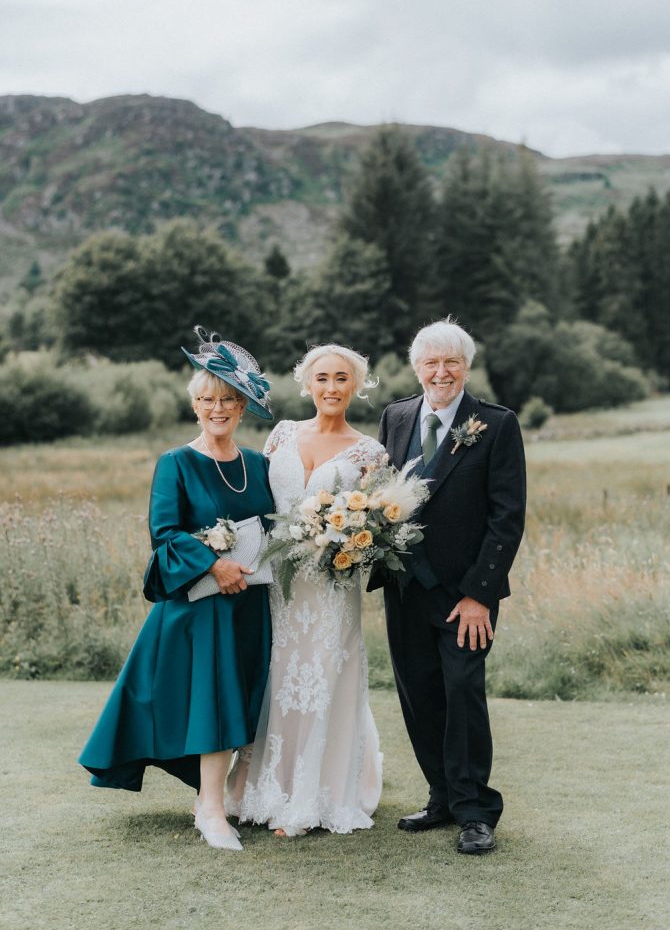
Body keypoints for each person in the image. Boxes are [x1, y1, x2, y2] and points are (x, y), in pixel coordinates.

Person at [79, 330, 274, 851]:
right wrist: (214, 563)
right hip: (200, 608)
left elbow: (274, 528)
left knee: (242, 701)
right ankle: (211, 811)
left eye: (228, 400)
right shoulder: (176, 463)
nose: (218, 408)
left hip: (251, 605)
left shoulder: (259, 464)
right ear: (194, 406)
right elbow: (163, 535)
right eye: (207, 400)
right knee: (214, 704)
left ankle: (225, 797)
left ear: (243, 407)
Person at [367, 318, 526, 854]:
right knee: (419, 694)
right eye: (431, 363)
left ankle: (476, 811)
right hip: (404, 588)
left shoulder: (497, 425)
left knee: (462, 693)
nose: (441, 372)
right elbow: (381, 493)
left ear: (466, 367)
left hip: (465, 597)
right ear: (417, 368)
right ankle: (442, 796)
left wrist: (481, 594)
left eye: (451, 362)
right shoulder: (395, 417)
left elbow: (507, 517)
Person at [227, 345, 384, 836]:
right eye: (322, 378)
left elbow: (377, 524)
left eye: (341, 378)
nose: (331, 387)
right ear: (307, 383)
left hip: (332, 585)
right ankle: (264, 787)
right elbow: (258, 500)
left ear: (356, 385)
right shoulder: (282, 434)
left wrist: (347, 542)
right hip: (277, 580)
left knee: (322, 674)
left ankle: (313, 796)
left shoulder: (370, 452)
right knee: (278, 672)